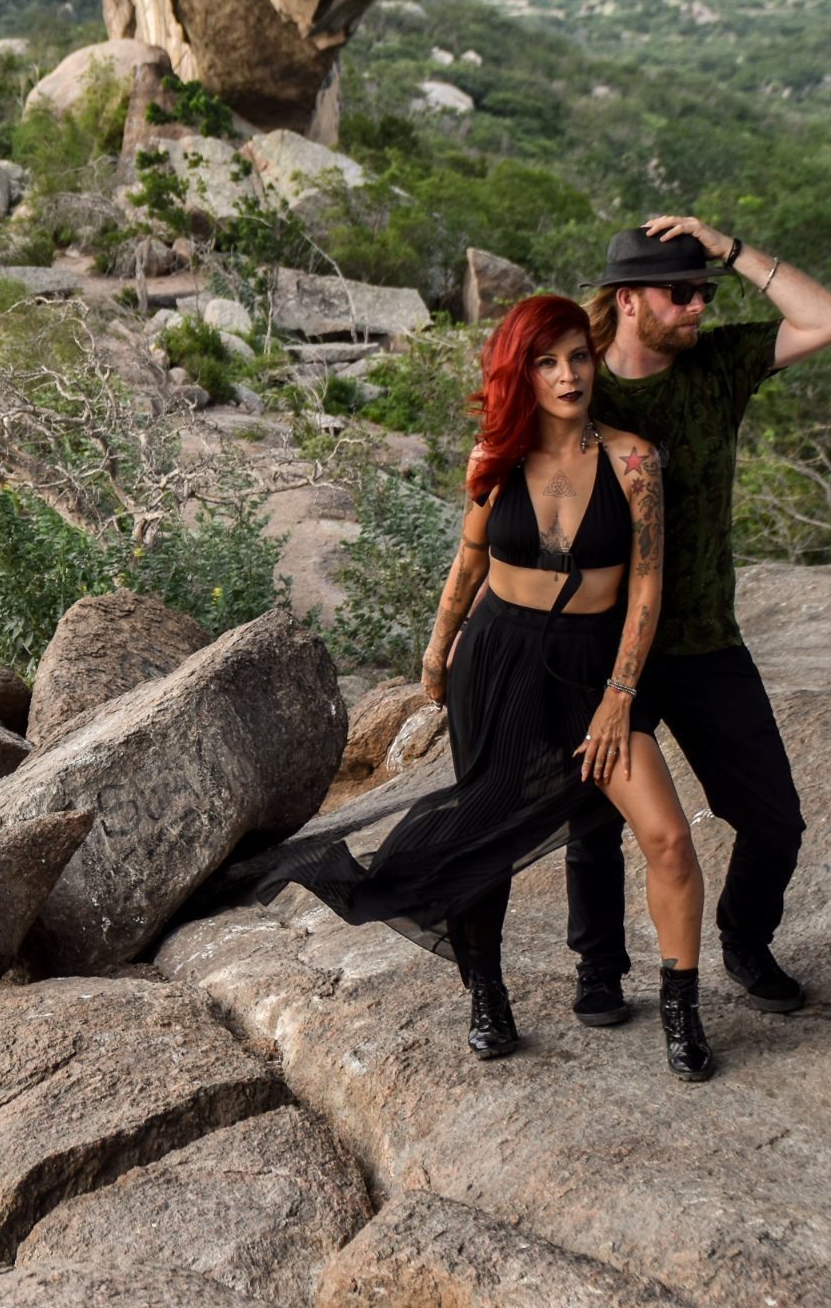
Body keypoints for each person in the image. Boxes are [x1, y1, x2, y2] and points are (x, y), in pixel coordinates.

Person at [220, 293, 715, 1080]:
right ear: (520, 373)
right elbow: (469, 565)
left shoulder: (633, 461)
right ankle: (485, 992)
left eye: (578, 357)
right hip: (499, 660)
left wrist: (621, 694)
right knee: (487, 830)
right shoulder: (497, 457)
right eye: (546, 362)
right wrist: (437, 648)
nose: (567, 375)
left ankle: (681, 1010)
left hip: (595, 671)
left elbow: (648, 589)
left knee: (666, 836)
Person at [562, 219, 831, 1026]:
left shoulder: (718, 365)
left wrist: (728, 249)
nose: (696, 306)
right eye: (680, 292)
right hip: (601, 643)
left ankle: (744, 938)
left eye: (703, 292)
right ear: (628, 301)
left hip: (702, 643)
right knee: (595, 820)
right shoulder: (581, 389)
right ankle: (598, 966)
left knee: (775, 821)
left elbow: (828, 320)